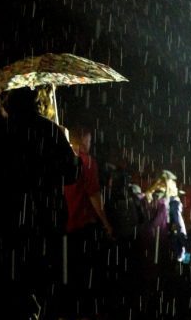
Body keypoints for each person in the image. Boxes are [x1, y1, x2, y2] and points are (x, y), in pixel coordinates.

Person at [0, 85, 80, 319]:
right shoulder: (49, 130)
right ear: (35, 101)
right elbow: (72, 174)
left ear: (9, 103)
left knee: (11, 284)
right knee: (39, 280)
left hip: (5, 220)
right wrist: (71, 155)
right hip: (42, 220)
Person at [58, 125, 114, 319]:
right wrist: (106, 222)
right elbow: (94, 194)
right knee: (84, 275)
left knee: (66, 275)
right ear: (82, 140)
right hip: (81, 225)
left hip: (61, 226)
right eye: (89, 140)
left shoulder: (60, 159)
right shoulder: (87, 162)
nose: (90, 144)